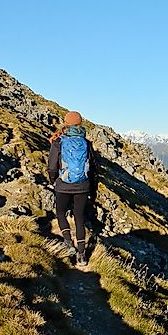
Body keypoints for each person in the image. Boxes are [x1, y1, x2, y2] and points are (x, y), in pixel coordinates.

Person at [48, 111, 97, 266]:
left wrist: (53, 180)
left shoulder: (58, 142)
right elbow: (94, 168)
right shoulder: (86, 143)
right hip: (83, 186)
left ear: (66, 123)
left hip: (63, 185)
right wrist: (92, 188)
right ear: (80, 124)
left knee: (61, 213)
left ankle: (68, 243)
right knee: (79, 218)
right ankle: (82, 255)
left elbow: (51, 167)